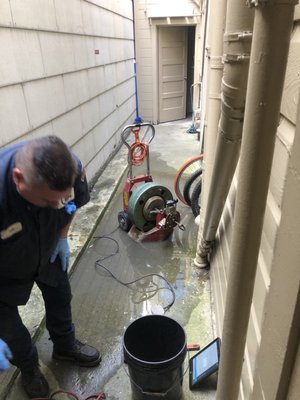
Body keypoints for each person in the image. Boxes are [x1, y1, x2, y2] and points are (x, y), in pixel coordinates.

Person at [0, 136, 101, 399]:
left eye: (61, 198)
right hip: (4, 271)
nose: (57, 205)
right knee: (10, 330)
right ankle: (29, 367)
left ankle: (64, 345)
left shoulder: (72, 168)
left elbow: (72, 203)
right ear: (18, 178)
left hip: (48, 247)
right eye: (47, 201)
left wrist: (62, 236)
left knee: (60, 295)